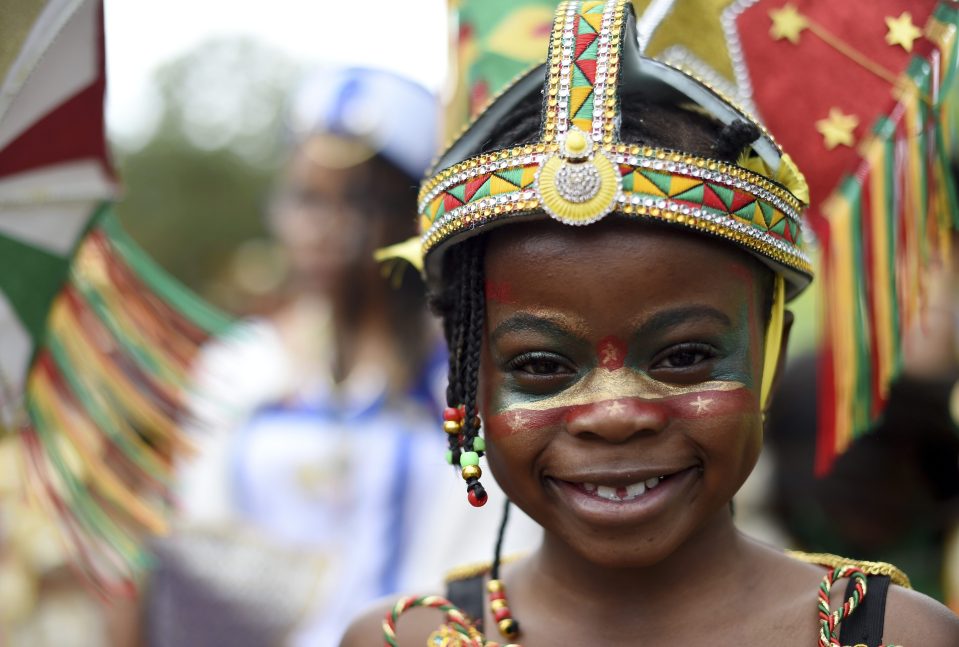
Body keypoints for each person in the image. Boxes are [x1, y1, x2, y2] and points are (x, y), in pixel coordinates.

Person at [340, 1, 959, 645]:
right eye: (543, 367)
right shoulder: (404, 639)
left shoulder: (894, 635)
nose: (614, 414)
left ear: (770, 348)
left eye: (684, 356)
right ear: (470, 382)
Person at [150, 67, 539, 647]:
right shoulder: (238, 368)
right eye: (306, 198)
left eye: (355, 202)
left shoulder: (469, 376)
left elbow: (491, 555)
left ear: (414, 218)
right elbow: (200, 547)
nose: (321, 229)